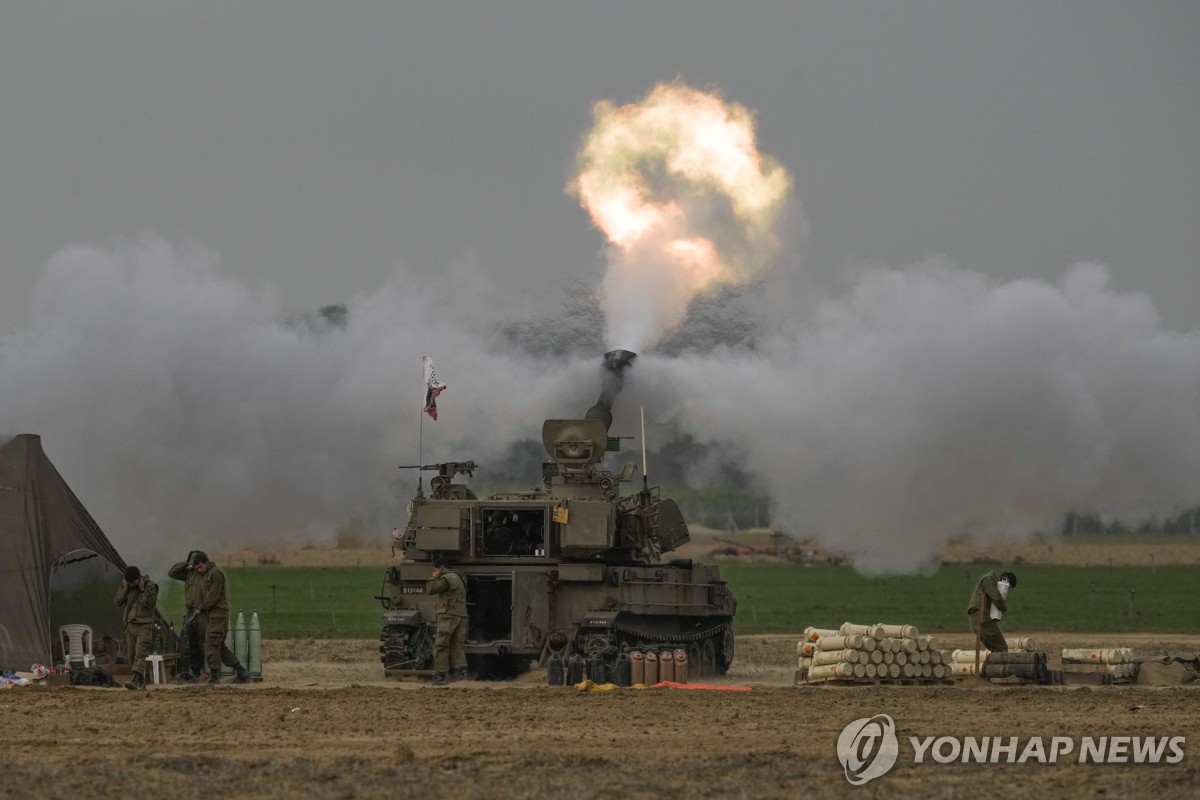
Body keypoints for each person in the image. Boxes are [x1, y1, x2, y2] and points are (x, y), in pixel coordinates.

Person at [194, 555, 251, 684]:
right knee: (219, 646)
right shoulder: (207, 574)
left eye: (200, 567)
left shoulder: (215, 574)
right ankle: (241, 672)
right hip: (214, 615)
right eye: (197, 568)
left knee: (211, 644)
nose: (198, 570)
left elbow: (213, 596)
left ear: (206, 563)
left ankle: (215, 676)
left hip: (218, 614)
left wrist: (201, 608)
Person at [114, 565, 159, 691]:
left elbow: (150, 604)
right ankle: (140, 682)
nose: (132, 584)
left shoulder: (151, 586)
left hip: (144, 625)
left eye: (133, 582)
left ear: (138, 579)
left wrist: (143, 589)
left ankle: (135, 679)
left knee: (141, 652)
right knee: (132, 655)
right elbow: (117, 601)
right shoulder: (126, 585)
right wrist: (125, 589)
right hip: (130, 625)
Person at [167, 550, 209, 681]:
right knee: (190, 643)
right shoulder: (189, 573)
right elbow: (172, 573)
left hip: (202, 612)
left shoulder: (207, 573)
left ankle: (208, 671)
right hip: (191, 612)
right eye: (194, 562)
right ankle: (194, 670)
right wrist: (186, 562)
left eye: (197, 562)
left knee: (204, 643)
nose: (196, 566)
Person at [426, 555, 468, 685]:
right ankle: (462, 674)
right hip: (460, 615)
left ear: (441, 567)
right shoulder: (458, 576)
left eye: (435, 569)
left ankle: (441, 676)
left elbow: (431, 589)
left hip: (448, 615)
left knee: (441, 645)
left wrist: (433, 577)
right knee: (457, 645)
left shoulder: (446, 578)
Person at [967, 570, 1018, 653]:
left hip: (980, 617)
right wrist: (1004, 608)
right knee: (1001, 647)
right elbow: (996, 598)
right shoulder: (989, 579)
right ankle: (1001, 666)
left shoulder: (991, 581)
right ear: (1005, 579)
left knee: (996, 649)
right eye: (1008, 586)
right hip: (983, 618)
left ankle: (990, 666)